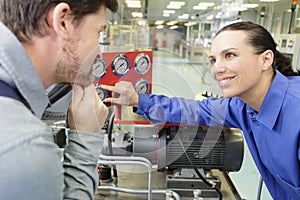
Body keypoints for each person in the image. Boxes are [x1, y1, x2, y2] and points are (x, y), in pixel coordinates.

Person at [103, 21, 300, 199]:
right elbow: (194, 110)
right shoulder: (242, 105)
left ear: (265, 59)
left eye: (230, 55)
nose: (217, 69)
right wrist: (138, 100)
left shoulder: (295, 113)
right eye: (214, 60)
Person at [0, 0, 118, 199]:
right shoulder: (26, 146)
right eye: (98, 32)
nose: (99, 53)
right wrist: (85, 139)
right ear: (63, 22)